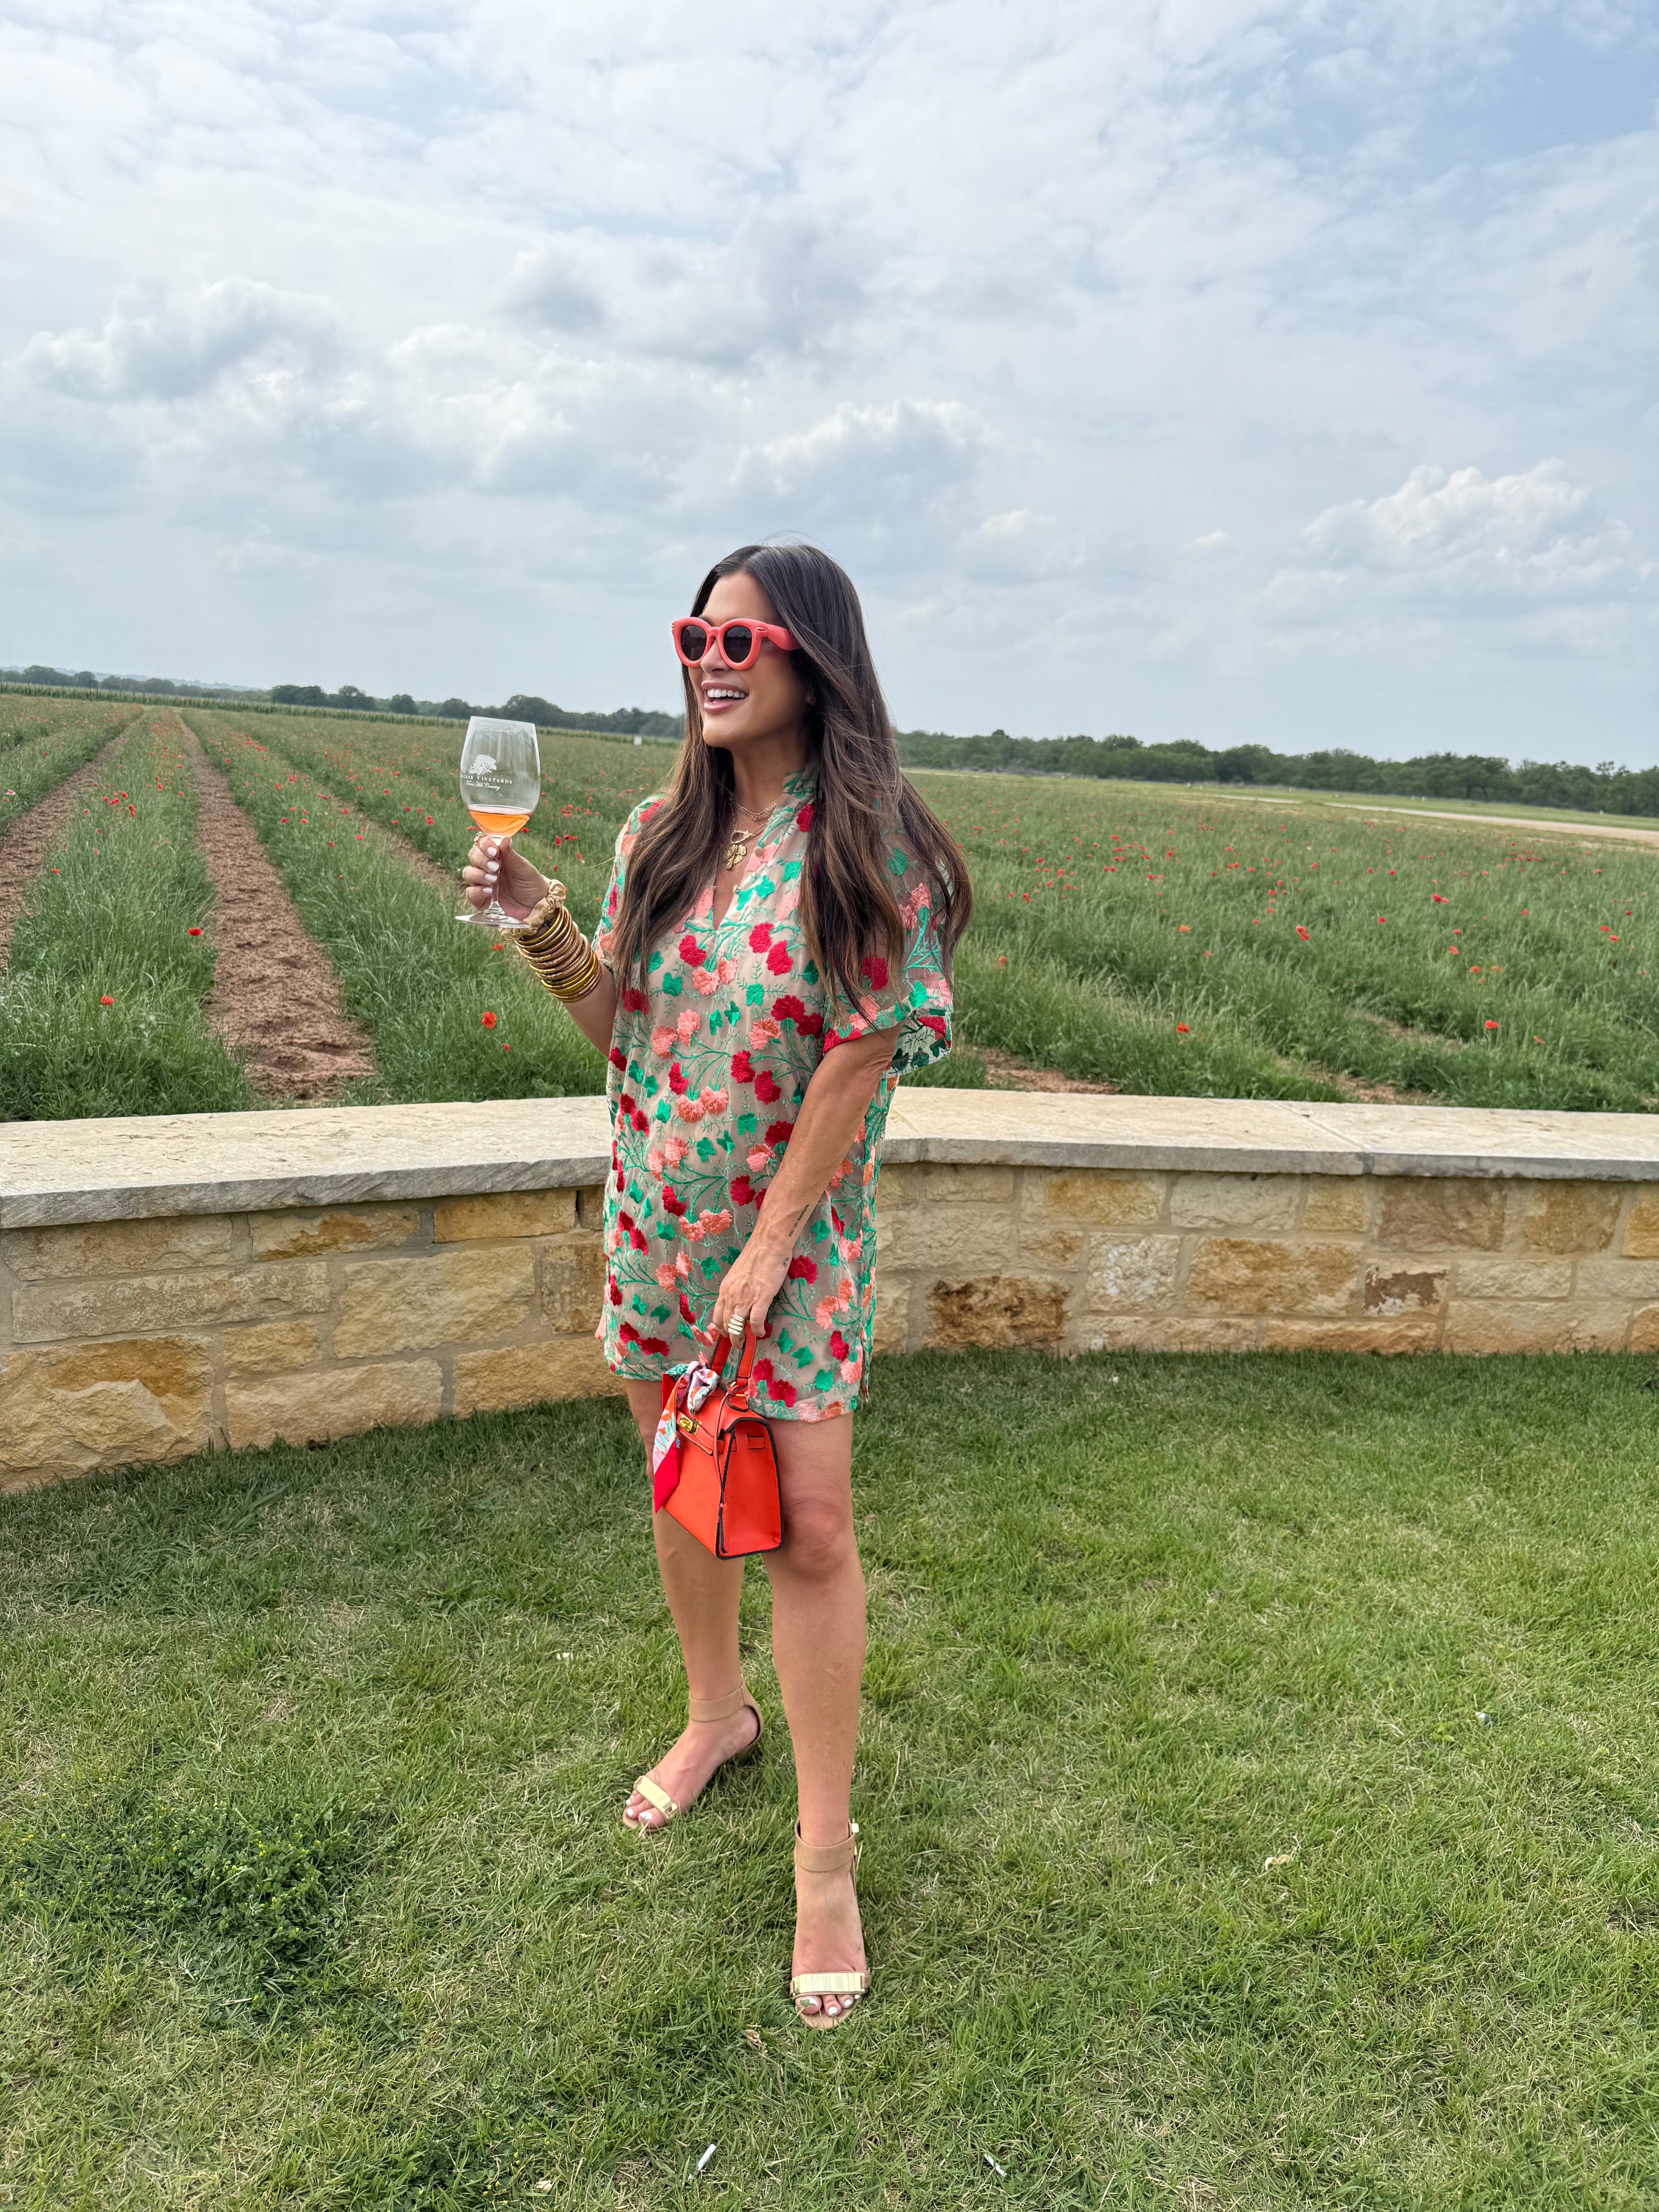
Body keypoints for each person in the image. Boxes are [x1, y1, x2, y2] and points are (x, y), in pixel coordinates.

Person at [461, 541, 971, 2025]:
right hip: (658, 1226)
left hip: (789, 1255)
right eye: (695, 636)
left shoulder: (871, 846)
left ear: (814, 657)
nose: (709, 662)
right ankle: (714, 1715)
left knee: (808, 1529)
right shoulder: (659, 833)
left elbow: (858, 1055)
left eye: (740, 641)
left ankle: (826, 1860)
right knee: (685, 1489)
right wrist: (540, 919)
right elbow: (618, 1026)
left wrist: (767, 1246)